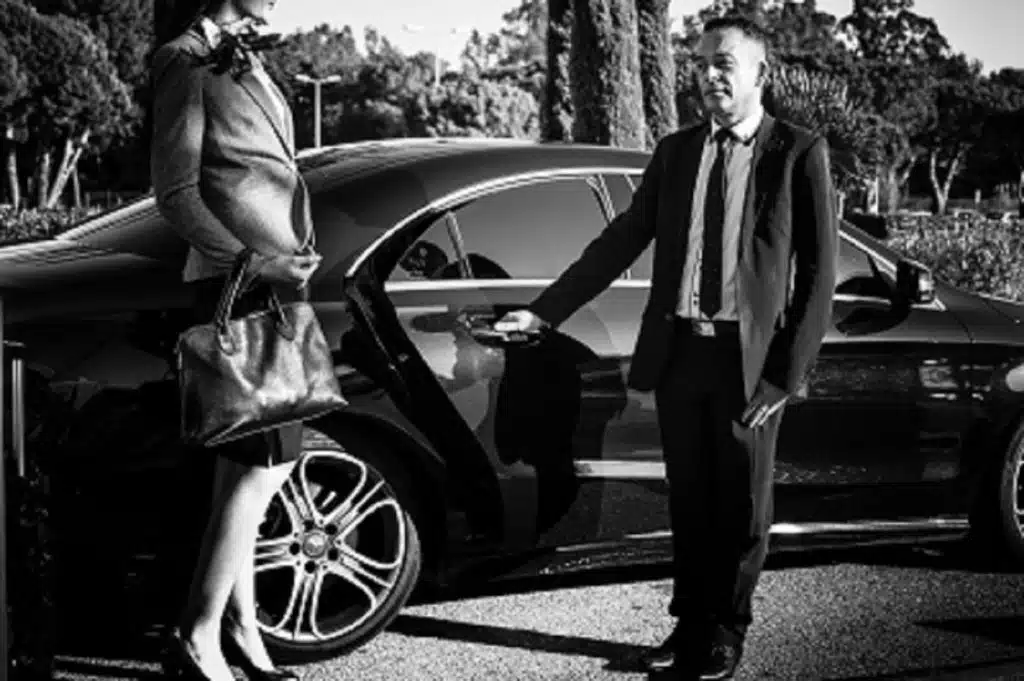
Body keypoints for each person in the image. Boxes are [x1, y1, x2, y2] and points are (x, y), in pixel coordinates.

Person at [495, 14, 838, 680]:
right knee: (690, 499)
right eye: (701, 62)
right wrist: (543, 311)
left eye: (723, 63)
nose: (708, 75)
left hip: (748, 363)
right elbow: (621, 240)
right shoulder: (677, 151)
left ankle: (727, 630)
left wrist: (784, 376)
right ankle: (689, 623)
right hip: (681, 353)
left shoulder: (798, 151)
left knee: (742, 505)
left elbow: (819, 273)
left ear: (760, 73)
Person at [150, 1, 319, 680]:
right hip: (240, 288)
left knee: (246, 471)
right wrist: (253, 262)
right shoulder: (183, 59)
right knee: (259, 467)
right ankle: (196, 635)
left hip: (277, 284)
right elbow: (176, 192)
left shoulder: (244, 56)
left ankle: (241, 628)